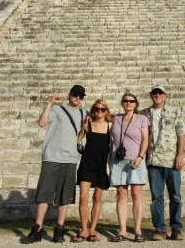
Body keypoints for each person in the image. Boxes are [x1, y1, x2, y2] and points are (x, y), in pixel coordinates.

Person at [22, 85, 87, 244]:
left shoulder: (83, 113)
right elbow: (42, 122)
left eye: (81, 96)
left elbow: (83, 131)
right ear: (70, 95)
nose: (78, 98)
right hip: (51, 156)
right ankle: (37, 228)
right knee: (44, 194)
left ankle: (59, 229)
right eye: (75, 95)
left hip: (70, 158)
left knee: (64, 196)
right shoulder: (58, 110)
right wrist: (50, 103)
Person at [140, 85, 185, 241]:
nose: (157, 95)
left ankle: (176, 228)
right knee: (156, 197)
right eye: (154, 93)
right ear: (151, 95)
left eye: (160, 93)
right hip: (153, 160)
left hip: (171, 160)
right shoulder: (144, 114)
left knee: (175, 195)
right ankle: (160, 229)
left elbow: (181, 134)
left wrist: (180, 156)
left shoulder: (175, 112)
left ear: (165, 95)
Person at [110, 93, 150, 242]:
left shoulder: (141, 119)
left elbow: (145, 140)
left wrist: (140, 157)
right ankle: (122, 230)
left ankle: (138, 230)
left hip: (135, 160)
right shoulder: (115, 118)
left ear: (136, 104)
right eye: (126, 101)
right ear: (122, 103)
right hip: (118, 161)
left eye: (131, 101)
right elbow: (98, 119)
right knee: (121, 195)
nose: (128, 103)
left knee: (136, 195)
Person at [73, 99, 113, 242]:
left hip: (101, 166)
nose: (100, 112)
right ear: (93, 110)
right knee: (83, 197)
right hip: (87, 164)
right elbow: (78, 140)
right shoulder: (88, 124)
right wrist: (82, 128)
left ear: (106, 111)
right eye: (97, 109)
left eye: (103, 109)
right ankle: (84, 229)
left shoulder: (111, 126)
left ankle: (92, 230)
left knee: (97, 198)